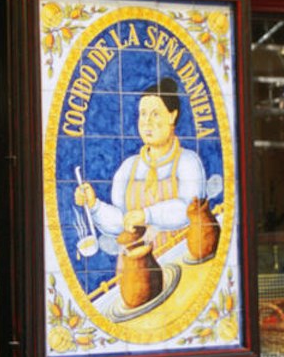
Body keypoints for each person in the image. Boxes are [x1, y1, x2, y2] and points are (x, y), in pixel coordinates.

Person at [73, 77, 205, 257]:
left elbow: (188, 210)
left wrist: (147, 215)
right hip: (138, 272)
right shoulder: (129, 167)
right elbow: (122, 222)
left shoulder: (188, 162)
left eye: (155, 114)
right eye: (142, 114)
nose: (146, 122)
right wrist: (94, 205)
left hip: (182, 262)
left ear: (172, 116)